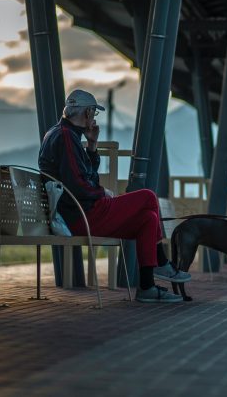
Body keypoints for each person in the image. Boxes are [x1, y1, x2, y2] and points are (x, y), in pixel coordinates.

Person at [38, 89, 190, 303]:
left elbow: (85, 176)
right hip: (82, 216)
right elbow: (79, 185)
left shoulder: (62, 134)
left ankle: (147, 287)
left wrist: (91, 145)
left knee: (148, 219)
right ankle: (163, 263)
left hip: (80, 213)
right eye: (93, 113)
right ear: (87, 113)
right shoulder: (64, 137)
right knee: (147, 196)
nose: (93, 117)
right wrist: (105, 194)